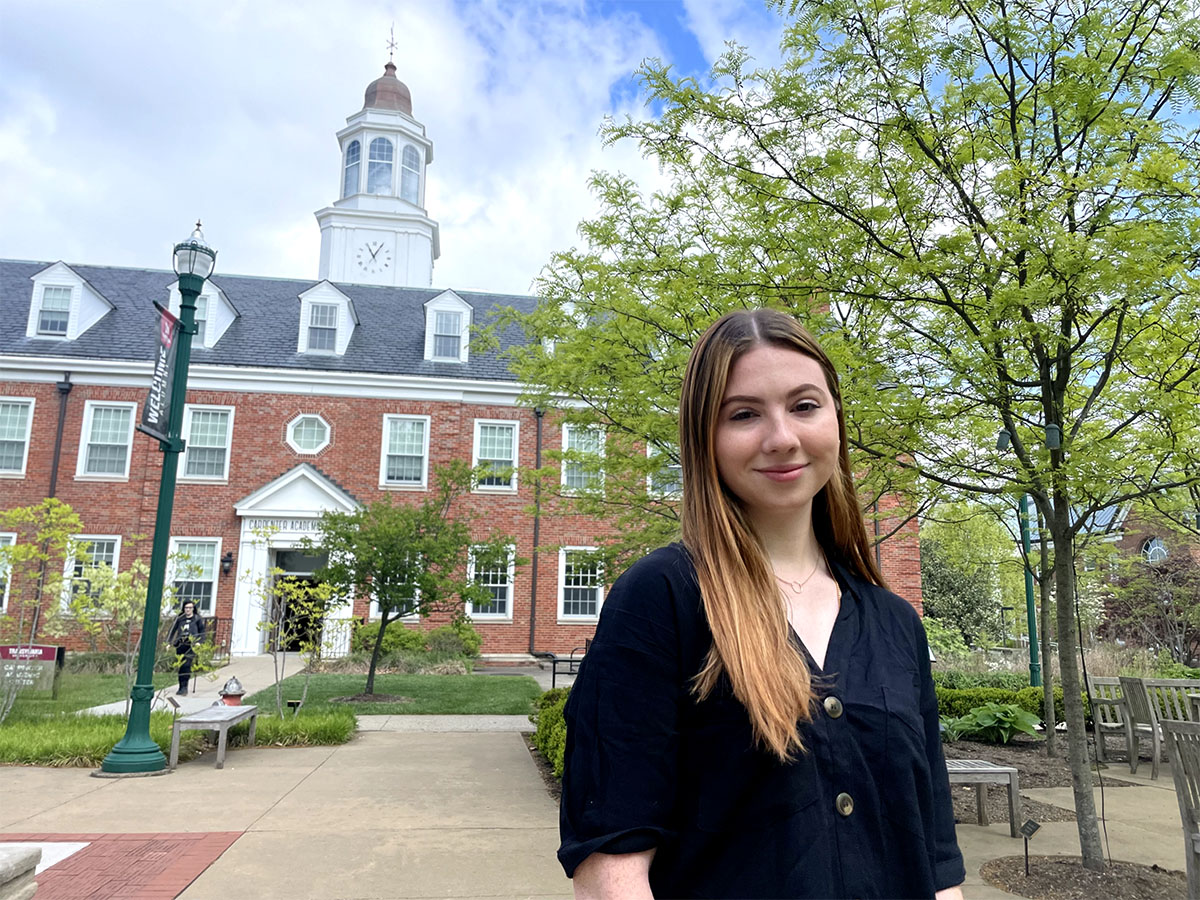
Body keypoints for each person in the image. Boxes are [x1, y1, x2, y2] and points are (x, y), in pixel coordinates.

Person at [558, 309, 965, 899]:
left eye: (804, 406)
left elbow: (935, 856)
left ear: (836, 421)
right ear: (706, 438)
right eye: (744, 414)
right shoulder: (662, 597)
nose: (782, 438)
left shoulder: (895, 623)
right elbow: (611, 867)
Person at [167, 600, 206, 696]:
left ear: (193, 609)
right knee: (181, 666)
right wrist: (169, 642)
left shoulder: (197, 619)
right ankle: (181, 686)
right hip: (181, 645)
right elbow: (172, 630)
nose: (188, 610)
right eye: (186, 608)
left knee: (186, 665)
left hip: (191, 645)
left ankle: (185, 687)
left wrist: (199, 642)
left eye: (190, 608)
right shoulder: (179, 619)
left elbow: (202, 632)